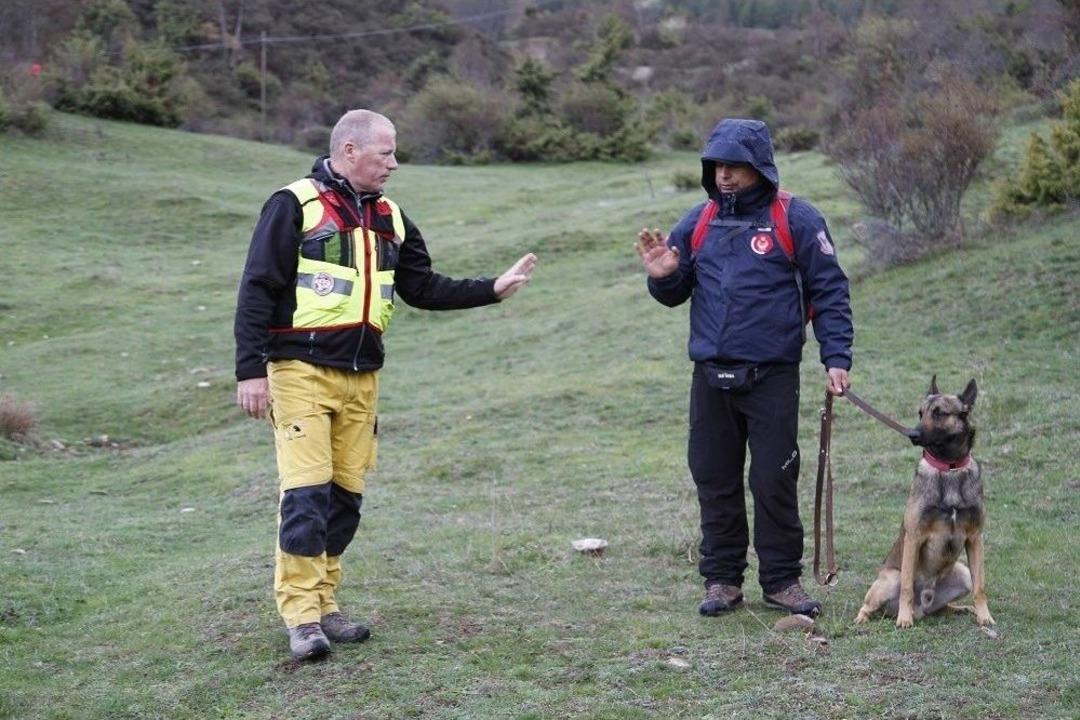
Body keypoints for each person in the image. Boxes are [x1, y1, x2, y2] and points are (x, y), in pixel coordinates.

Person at [234, 109, 537, 660]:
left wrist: (491, 288)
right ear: (350, 151)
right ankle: (301, 617)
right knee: (305, 495)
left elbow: (423, 287)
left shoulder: (392, 217)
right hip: (298, 372)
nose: (394, 164)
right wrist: (250, 370)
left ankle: (327, 605)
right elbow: (258, 286)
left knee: (344, 499)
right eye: (386, 153)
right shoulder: (293, 204)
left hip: (362, 378)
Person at [635, 118, 853, 618]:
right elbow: (675, 292)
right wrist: (664, 279)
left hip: (772, 375)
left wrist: (836, 357)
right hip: (709, 376)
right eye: (717, 166)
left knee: (774, 479)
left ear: (760, 167)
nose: (725, 176)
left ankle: (782, 582)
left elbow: (830, 291)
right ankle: (722, 581)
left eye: (736, 166)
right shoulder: (699, 221)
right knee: (714, 477)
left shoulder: (796, 219)